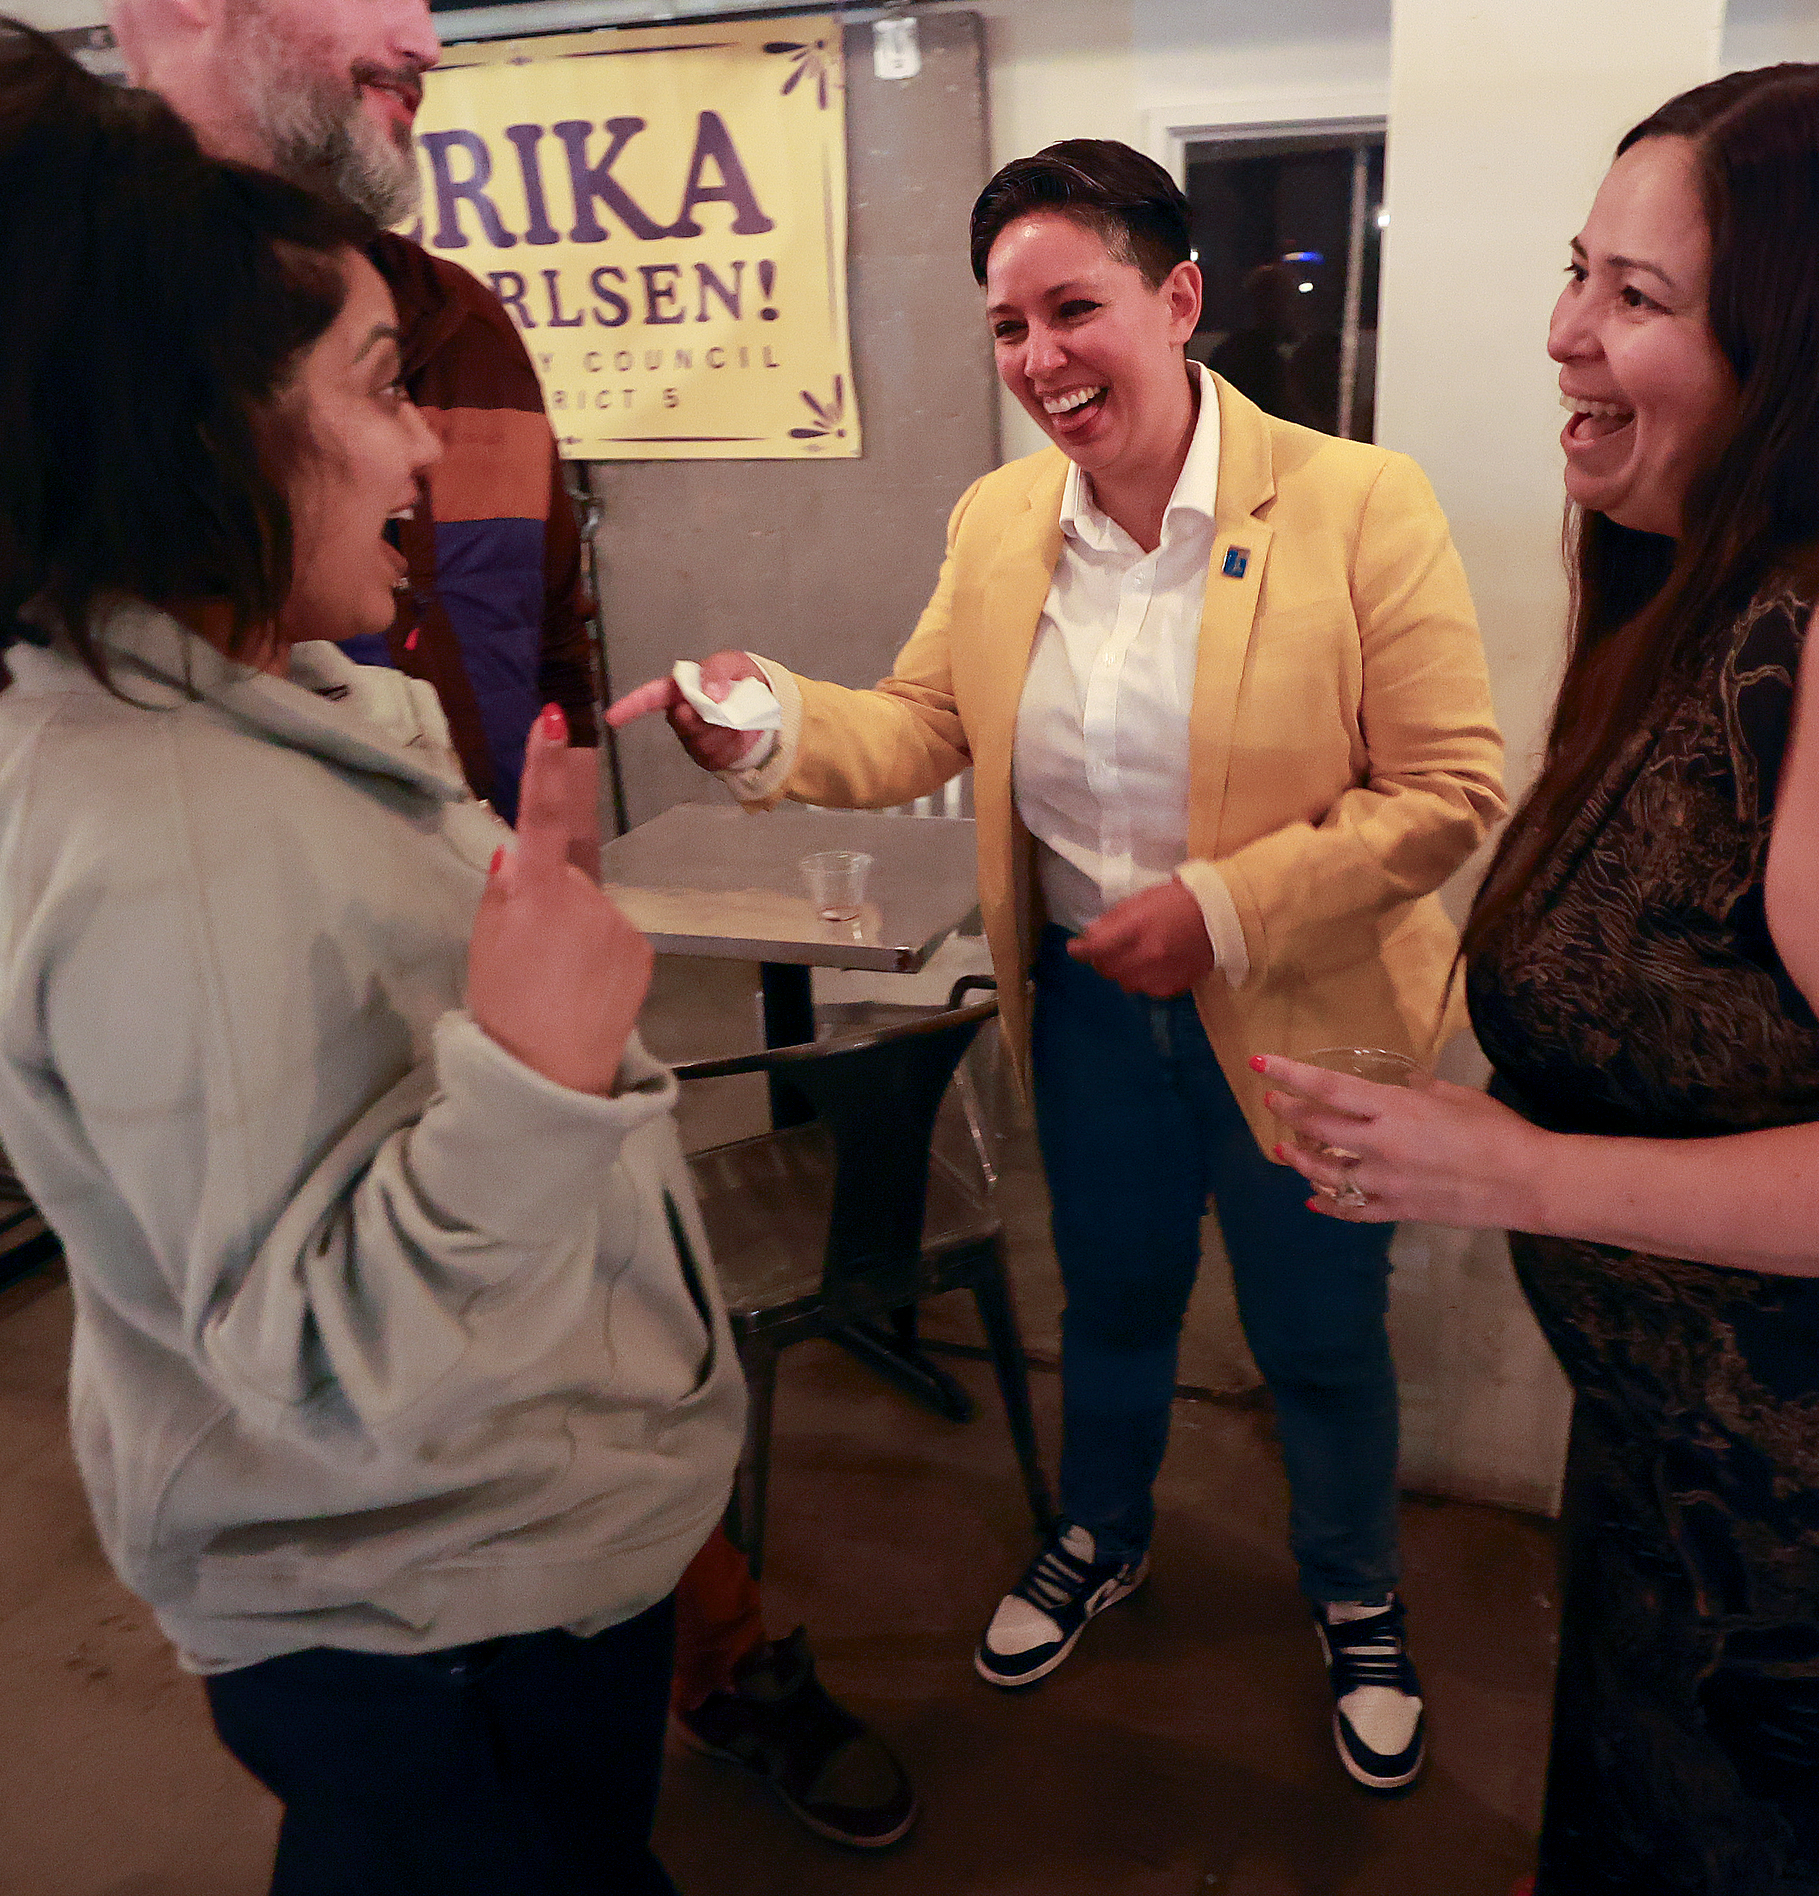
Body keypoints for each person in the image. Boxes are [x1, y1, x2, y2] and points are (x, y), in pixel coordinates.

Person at [0, 0, 910, 1849]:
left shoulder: (454, 324)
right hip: (329, 1232)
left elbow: (531, 683)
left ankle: (698, 1635)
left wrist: (553, 926)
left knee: (555, 1525)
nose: (426, 26)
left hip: (508, 1112)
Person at [0, 17, 743, 1894]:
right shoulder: (163, 830)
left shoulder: (228, 719)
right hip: (432, 1617)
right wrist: (542, 1074)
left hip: (470, 1565)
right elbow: (319, 1351)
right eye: (381, 384)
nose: (416, 445)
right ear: (200, 420)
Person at [1255, 63, 1819, 1890]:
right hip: (1702, 1432)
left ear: (1816, 343)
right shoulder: (1721, 582)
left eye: (1636, 299)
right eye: (1577, 274)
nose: (1562, 334)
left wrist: (1509, 1167)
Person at [614, 139, 1505, 1792]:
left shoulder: (1359, 503)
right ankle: (1103, 1533)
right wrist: (773, 721)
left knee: (1319, 1332)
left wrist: (1224, 911)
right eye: (1006, 327)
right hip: (1097, 1001)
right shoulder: (1003, 519)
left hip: (1305, 1016)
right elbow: (928, 726)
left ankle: (1356, 1590)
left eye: (1072, 309)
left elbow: (1450, 792)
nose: (1038, 361)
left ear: (1176, 301)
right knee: (1113, 1301)